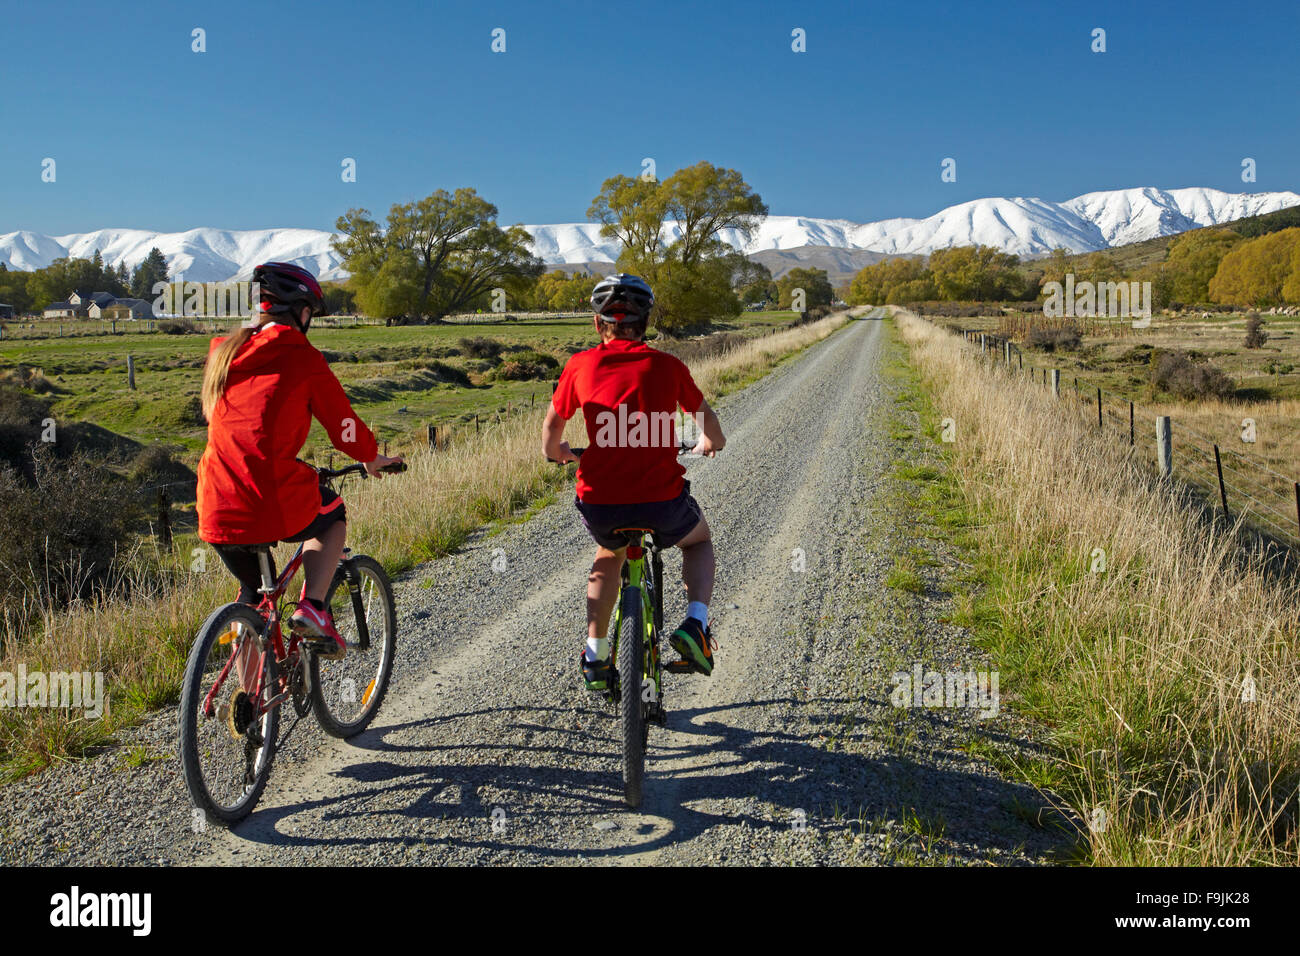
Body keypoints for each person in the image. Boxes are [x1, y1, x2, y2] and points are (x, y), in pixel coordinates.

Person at [196, 262, 402, 664]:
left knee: (253, 598)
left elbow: (239, 429)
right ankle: (314, 609)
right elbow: (343, 428)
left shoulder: (223, 352)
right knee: (331, 513)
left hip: (215, 501)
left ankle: (250, 711)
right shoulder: (301, 356)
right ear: (302, 312)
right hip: (267, 496)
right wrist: (371, 457)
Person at [541, 273, 726, 690]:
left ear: (596, 324)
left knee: (609, 553)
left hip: (602, 502)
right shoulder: (668, 366)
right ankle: (696, 624)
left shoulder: (579, 366)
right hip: (662, 501)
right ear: (646, 324)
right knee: (697, 541)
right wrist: (708, 442)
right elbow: (710, 426)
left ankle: (595, 655)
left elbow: (551, 433)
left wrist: (560, 453)